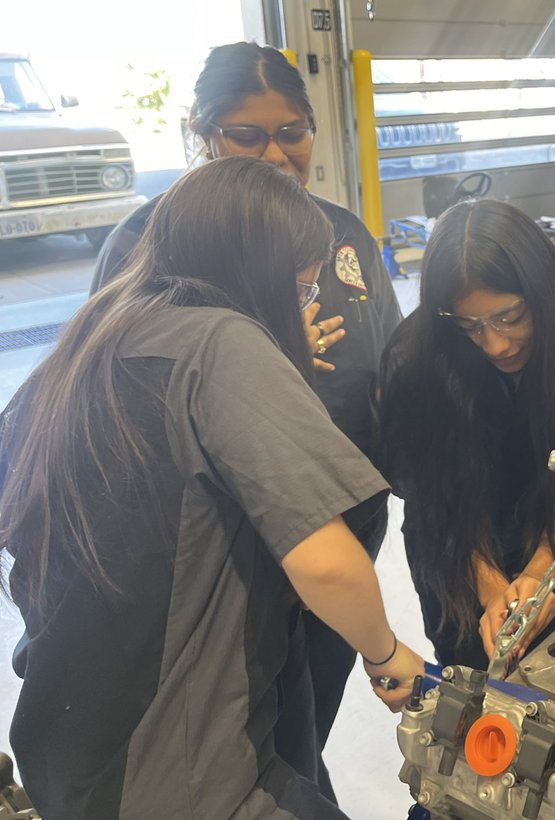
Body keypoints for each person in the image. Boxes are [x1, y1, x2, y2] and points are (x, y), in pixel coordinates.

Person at [0, 157, 424, 818]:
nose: (306, 308)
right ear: (262, 279)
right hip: (174, 775)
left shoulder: (97, 329)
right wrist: (387, 655)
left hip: (60, 737)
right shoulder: (222, 343)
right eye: (304, 291)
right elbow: (328, 565)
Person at [91, 42, 400, 797]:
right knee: (240, 742)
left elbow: (392, 371)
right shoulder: (145, 243)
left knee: (303, 724)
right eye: (247, 135)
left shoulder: (341, 237)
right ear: (202, 133)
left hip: (338, 536)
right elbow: (120, 406)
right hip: (220, 562)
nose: (276, 154)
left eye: (293, 131)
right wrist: (277, 369)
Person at [377, 200, 555, 668]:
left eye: (510, 317)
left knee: (545, 670)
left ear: (542, 294)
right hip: (449, 540)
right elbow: (430, 495)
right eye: (470, 326)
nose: (495, 343)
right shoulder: (413, 359)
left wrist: (540, 574)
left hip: (551, 526)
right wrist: (490, 586)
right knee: (465, 669)